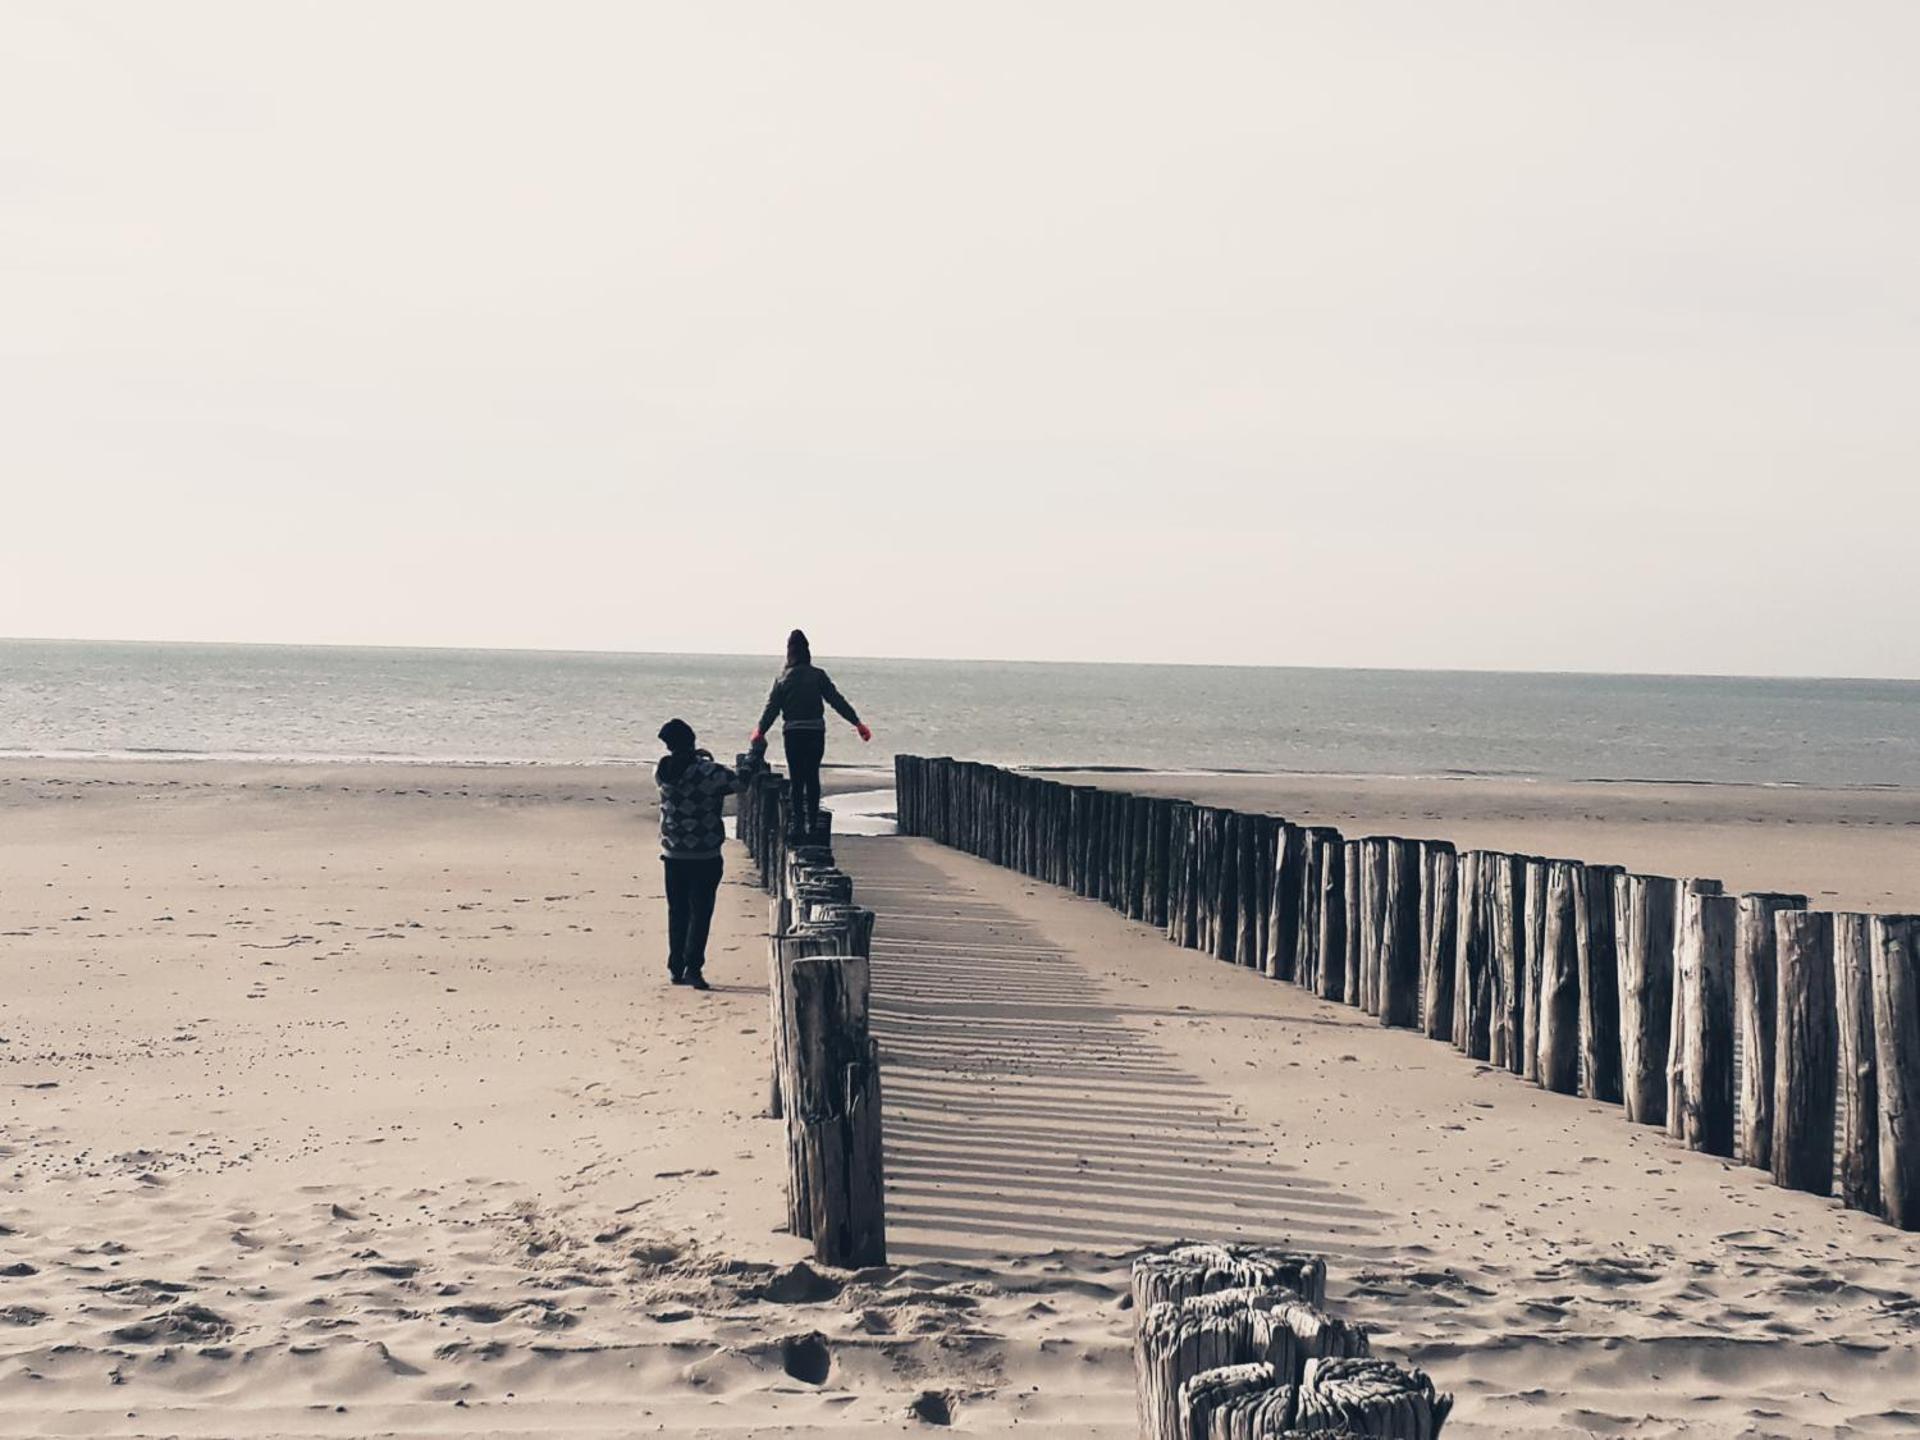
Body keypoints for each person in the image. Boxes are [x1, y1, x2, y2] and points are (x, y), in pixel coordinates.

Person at [654, 718, 754, 990]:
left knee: (678, 911)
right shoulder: (709, 772)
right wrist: (754, 754)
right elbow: (741, 784)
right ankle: (694, 968)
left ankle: (675, 967)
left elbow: (685, 770)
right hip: (704, 853)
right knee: (701, 912)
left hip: (673, 853)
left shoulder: (662, 771)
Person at [750, 629, 870, 839]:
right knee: (812, 776)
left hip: (793, 733)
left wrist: (760, 731)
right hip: (815, 731)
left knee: (797, 779)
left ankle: (797, 825)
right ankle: (812, 823)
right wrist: (858, 723)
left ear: (789, 652)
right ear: (807, 652)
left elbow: (772, 709)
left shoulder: (782, 679)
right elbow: (836, 701)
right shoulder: (818, 676)